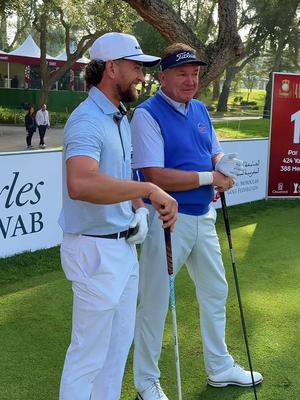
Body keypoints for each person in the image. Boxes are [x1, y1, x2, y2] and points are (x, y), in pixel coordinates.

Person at [131, 43, 263, 400]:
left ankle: (219, 367)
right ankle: (146, 381)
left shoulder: (200, 109)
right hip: (167, 221)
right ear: (163, 77)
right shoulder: (147, 114)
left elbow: (212, 150)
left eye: (195, 74)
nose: (190, 81)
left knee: (215, 291)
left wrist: (221, 163)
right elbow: (154, 174)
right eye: (182, 74)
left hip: (203, 215)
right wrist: (210, 177)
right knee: (155, 302)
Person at [58, 32, 178, 400]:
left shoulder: (119, 117)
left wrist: (138, 209)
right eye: (136, 66)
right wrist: (147, 191)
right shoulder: (88, 120)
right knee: (88, 355)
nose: (142, 75)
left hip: (121, 248)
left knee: (115, 351)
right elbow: (81, 183)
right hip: (94, 251)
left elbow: (122, 175)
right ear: (112, 68)